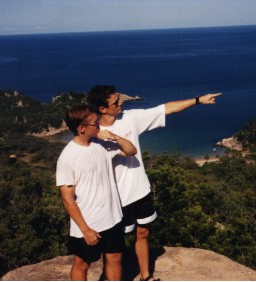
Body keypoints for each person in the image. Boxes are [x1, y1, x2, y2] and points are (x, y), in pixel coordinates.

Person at [87, 85, 221, 281]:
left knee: (143, 233)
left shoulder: (130, 118)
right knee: (115, 245)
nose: (121, 102)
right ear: (102, 109)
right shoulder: (95, 135)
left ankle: (145, 276)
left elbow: (166, 108)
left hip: (140, 190)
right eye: (116, 102)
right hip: (117, 198)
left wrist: (199, 100)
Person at [56, 104, 137, 281]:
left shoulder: (102, 145)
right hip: (90, 224)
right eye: (95, 122)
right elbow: (67, 199)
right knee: (82, 264)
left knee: (115, 258)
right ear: (81, 128)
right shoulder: (67, 158)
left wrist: (115, 137)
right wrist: (86, 230)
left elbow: (131, 151)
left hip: (113, 218)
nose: (99, 124)